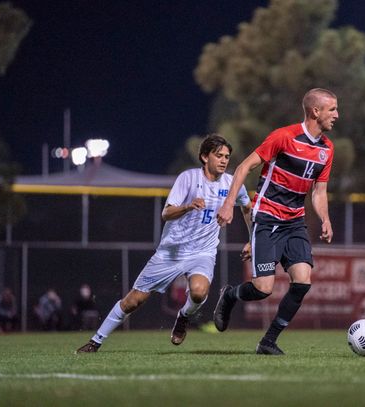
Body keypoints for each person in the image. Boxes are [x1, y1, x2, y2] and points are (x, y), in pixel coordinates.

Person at [77, 134, 252, 353]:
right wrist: (188, 206)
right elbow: (166, 213)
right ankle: (96, 341)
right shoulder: (187, 179)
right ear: (204, 157)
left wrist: (252, 239)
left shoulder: (231, 183)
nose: (224, 160)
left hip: (202, 252)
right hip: (171, 252)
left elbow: (247, 206)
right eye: (219, 156)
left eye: (227, 156)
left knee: (199, 292)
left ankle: (183, 317)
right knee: (134, 300)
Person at [213, 88, 338, 355]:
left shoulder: (327, 149)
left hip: (295, 222)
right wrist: (228, 204)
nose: (337, 115)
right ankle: (230, 295)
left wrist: (325, 218)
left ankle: (268, 342)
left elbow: (319, 191)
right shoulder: (284, 136)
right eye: (333, 109)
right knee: (262, 289)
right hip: (267, 217)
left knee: (303, 281)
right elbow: (245, 166)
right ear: (316, 111)